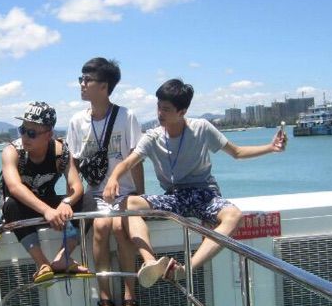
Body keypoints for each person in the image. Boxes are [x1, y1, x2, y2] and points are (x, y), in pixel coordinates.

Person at [103, 78, 287, 286]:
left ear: (182, 111)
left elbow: (237, 152)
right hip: (174, 197)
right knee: (128, 203)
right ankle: (151, 262)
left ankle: (186, 269)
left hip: (204, 194)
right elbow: (128, 162)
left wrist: (271, 148)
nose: (160, 113)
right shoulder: (152, 137)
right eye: (158, 107)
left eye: (166, 109)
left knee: (234, 216)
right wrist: (113, 178)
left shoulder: (201, 128)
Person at [67, 57, 144, 306]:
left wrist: (140, 197)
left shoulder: (126, 117)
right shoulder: (77, 121)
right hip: (95, 194)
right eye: (81, 79)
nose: (82, 84)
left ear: (104, 86)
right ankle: (105, 299)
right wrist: (72, 196)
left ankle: (129, 296)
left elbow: (136, 157)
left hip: (125, 193)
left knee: (121, 228)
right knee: (100, 227)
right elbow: (72, 163)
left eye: (87, 80)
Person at [1, 101, 92, 283]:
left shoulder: (60, 152)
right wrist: (47, 211)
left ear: (49, 134)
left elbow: (76, 186)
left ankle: (63, 257)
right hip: (22, 207)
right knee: (10, 205)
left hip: (47, 202)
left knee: (89, 201)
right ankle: (42, 263)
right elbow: (15, 187)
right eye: (22, 130)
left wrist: (66, 203)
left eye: (32, 133)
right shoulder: (12, 151)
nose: (25, 137)